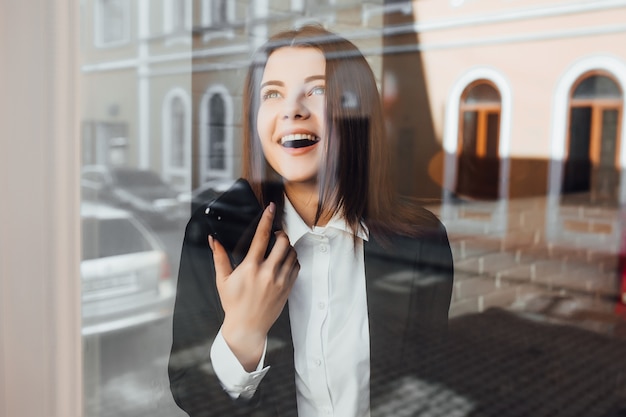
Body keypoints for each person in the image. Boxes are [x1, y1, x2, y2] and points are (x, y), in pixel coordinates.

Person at [168, 24, 454, 417]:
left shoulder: (422, 239)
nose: (292, 109)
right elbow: (191, 392)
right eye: (273, 94)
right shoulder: (214, 233)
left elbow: (427, 377)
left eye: (317, 89)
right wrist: (243, 335)